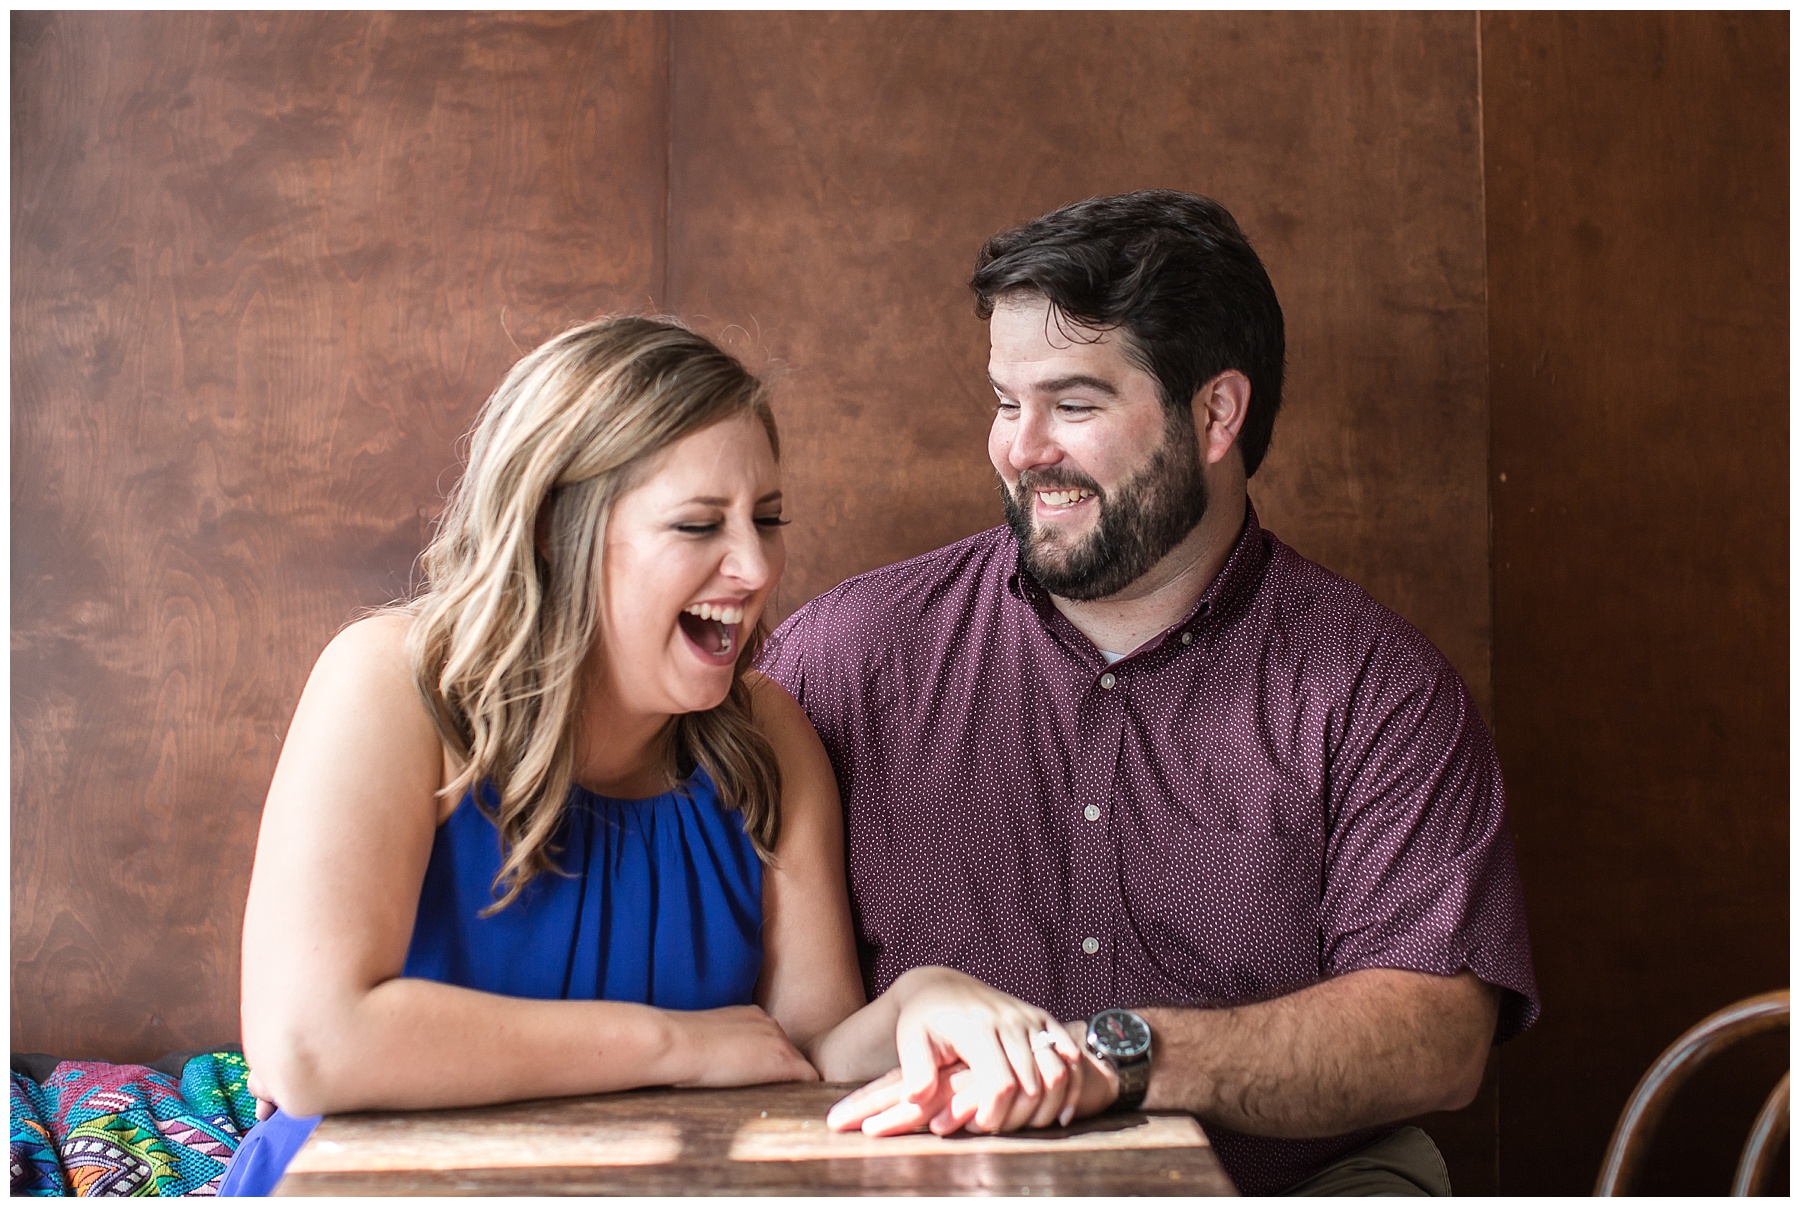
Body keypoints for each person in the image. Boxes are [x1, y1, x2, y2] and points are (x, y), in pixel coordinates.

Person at [761, 191, 1541, 1195]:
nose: (1019, 447)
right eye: (1007, 400)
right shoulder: (843, 656)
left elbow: (1436, 1036)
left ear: (1215, 412)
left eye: (1074, 404)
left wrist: (1118, 1059)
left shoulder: (1379, 689)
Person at [223, 317, 1091, 1195]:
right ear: (557, 531)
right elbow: (308, 1044)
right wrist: (673, 1042)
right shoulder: (392, 687)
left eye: (768, 518)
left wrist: (918, 1003)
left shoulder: (769, 738)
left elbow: (800, 1055)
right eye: (696, 524)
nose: (755, 567)